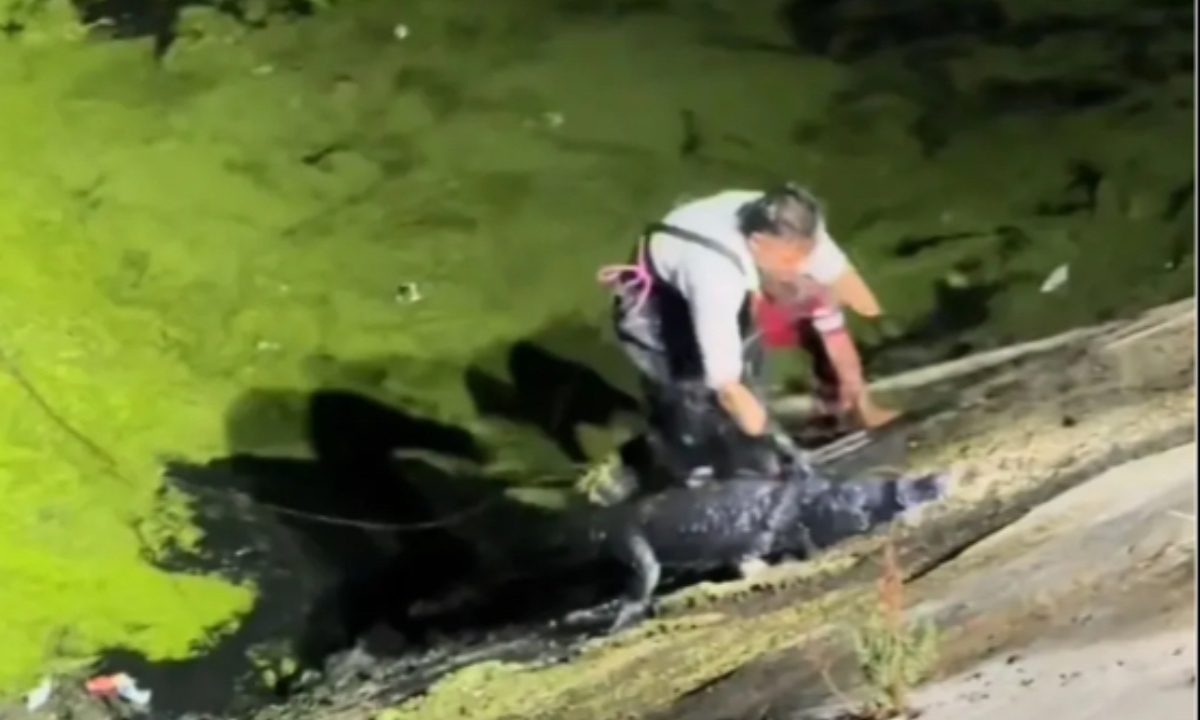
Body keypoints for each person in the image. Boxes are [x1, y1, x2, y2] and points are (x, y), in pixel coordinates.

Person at [595, 183, 896, 495]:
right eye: (789, 263)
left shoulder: (798, 228)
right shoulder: (716, 277)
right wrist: (760, 432)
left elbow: (849, 296)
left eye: (805, 259)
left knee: (753, 368)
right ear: (758, 243)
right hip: (658, 307)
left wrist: (863, 402)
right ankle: (682, 475)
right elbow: (727, 385)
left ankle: (762, 456)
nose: (801, 269)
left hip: (723, 279)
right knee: (693, 397)